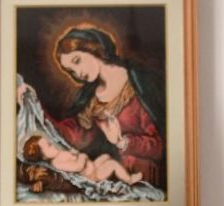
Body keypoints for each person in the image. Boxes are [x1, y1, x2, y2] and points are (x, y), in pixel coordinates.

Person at [17, 26, 166, 188]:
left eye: (77, 61)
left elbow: (160, 147)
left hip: (147, 176)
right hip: (114, 177)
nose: (78, 73)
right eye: (71, 71)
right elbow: (74, 137)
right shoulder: (89, 100)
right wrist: (33, 102)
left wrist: (123, 142)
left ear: (92, 48)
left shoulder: (140, 82)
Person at [22, 134, 143, 185]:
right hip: (92, 175)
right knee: (112, 164)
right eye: (49, 146)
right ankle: (129, 179)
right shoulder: (57, 163)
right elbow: (78, 167)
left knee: (105, 156)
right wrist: (82, 156)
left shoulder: (59, 155)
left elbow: (72, 158)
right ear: (43, 156)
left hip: (92, 166)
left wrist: (73, 154)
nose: (52, 145)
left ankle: (119, 176)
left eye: (50, 143)